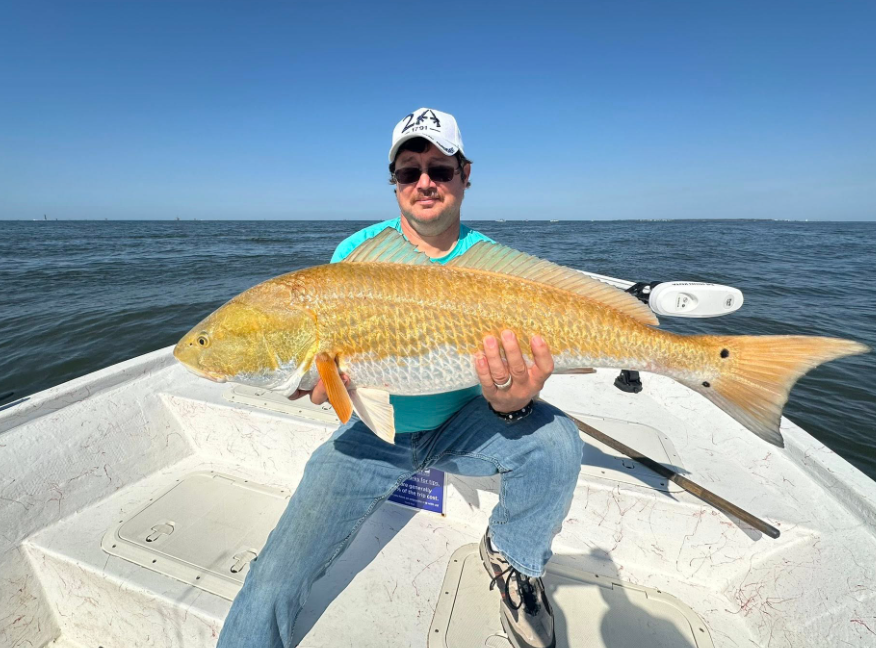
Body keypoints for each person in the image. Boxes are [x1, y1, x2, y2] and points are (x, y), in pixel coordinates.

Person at [216, 108, 583, 648]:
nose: (425, 182)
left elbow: (513, 395)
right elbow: (337, 389)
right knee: (271, 581)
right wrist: (325, 384)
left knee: (557, 443)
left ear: (465, 174)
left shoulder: (494, 266)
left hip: (467, 419)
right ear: (394, 183)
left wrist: (511, 402)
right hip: (372, 437)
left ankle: (515, 558)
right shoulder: (354, 258)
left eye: (440, 168)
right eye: (409, 172)